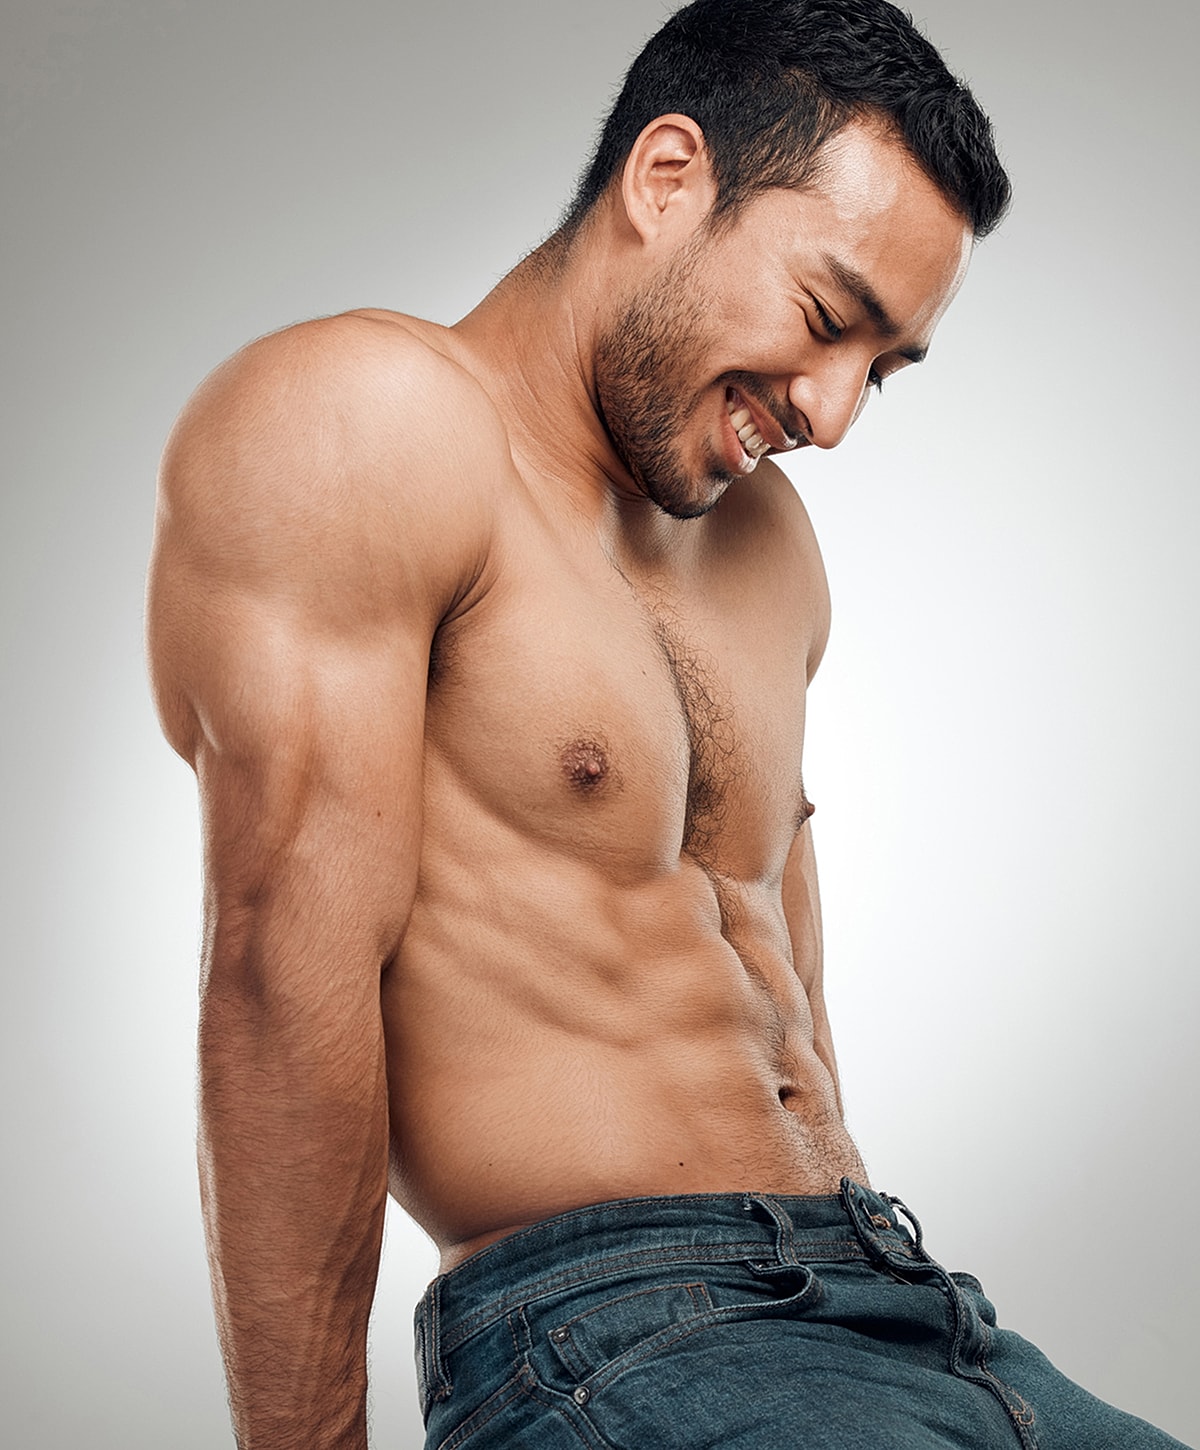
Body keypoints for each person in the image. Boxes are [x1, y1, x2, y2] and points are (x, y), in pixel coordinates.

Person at [145, 1, 1189, 1447]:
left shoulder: (770, 553)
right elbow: (272, 982)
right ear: (667, 178)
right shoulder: (362, 422)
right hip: (612, 1329)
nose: (832, 417)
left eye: (881, 368)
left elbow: (783, 995)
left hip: (906, 1298)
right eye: (829, 319)